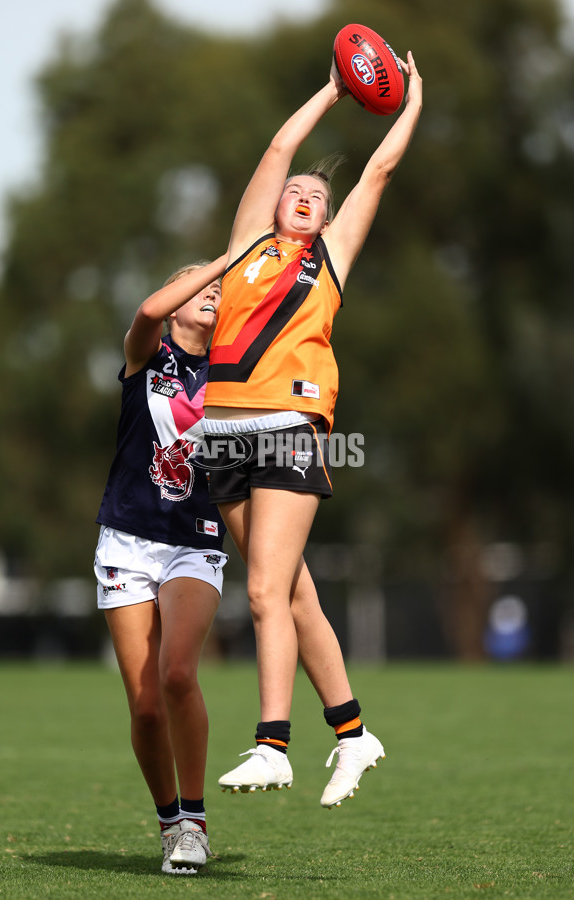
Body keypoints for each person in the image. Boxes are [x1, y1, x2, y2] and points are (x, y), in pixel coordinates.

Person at [202, 52, 422, 807]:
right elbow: (276, 151)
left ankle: (273, 746)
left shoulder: (329, 257)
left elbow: (380, 173)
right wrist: (332, 91)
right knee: (293, 594)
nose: (301, 193)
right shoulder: (245, 248)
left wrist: (410, 100)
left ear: (327, 218)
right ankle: (355, 735)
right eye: (293, 190)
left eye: (314, 195)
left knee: (263, 590)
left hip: (289, 426)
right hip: (220, 436)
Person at [94, 257, 229, 874]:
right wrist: (235, 252)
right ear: (177, 298)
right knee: (145, 706)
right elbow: (147, 311)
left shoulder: (231, 370)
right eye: (199, 284)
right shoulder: (146, 354)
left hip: (193, 539)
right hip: (125, 539)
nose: (212, 292)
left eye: (219, 289)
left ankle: (196, 824)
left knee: (177, 673)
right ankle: (170, 820)